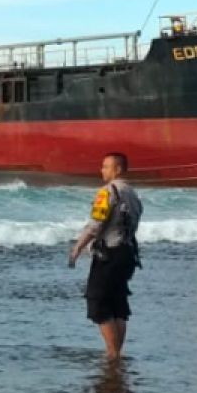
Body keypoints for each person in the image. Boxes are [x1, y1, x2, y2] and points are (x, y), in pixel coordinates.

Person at [68, 152, 144, 361]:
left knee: (98, 301)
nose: (102, 170)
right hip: (128, 253)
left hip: (108, 254)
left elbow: (96, 225)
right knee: (118, 302)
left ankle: (112, 353)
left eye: (105, 166)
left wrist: (77, 248)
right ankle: (117, 353)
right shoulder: (133, 194)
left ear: (117, 169)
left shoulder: (107, 192)